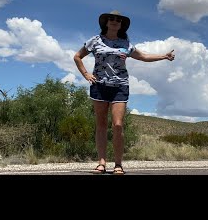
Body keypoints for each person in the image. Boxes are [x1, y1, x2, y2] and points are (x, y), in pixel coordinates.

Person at [73, 10, 175, 175]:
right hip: (99, 86)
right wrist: (86, 74)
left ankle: (118, 164)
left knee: (118, 125)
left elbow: (143, 56)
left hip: (120, 86)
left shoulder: (125, 44)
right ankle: (101, 162)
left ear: (121, 25)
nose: (114, 22)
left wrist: (164, 56)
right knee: (101, 125)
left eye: (118, 20)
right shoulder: (95, 41)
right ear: (106, 23)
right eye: (111, 19)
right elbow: (77, 56)